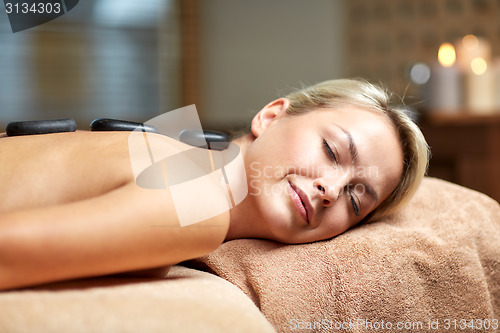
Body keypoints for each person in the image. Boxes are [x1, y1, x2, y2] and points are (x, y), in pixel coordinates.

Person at [0, 79, 429, 290]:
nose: (331, 190)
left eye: (356, 200)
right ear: (271, 115)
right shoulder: (200, 201)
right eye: (332, 152)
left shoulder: (173, 150)